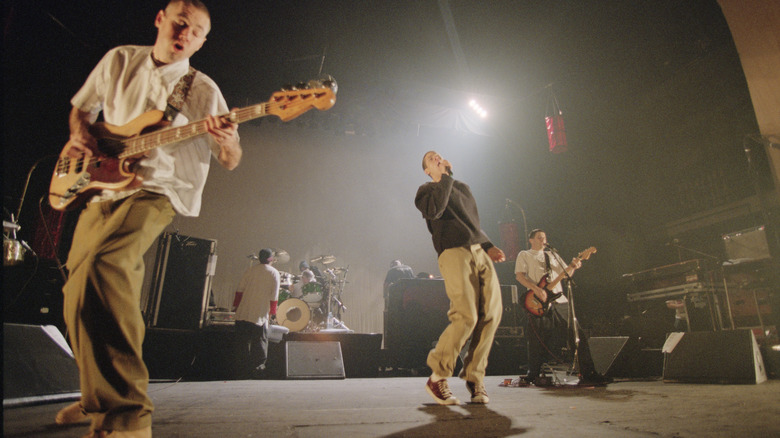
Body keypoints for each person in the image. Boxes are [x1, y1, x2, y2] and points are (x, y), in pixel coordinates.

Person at [55, 1, 241, 436]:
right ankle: (94, 395)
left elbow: (230, 160)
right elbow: (83, 109)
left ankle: (125, 416)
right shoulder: (120, 59)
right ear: (160, 19)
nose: (185, 34)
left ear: (202, 41)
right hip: (101, 187)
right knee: (76, 293)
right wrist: (81, 135)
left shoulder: (202, 89)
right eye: (180, 23)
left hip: (158, 191)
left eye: (196, 31)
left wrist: (228, 140)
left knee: (103, 266)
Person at [415, 151, 505, 405]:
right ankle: (438, 376)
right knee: (466, 315)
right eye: (431, 159)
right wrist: (443, 178)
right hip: (453, 252)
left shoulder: (462, 188)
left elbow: (471, 223)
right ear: (426, 170)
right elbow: (436, 211)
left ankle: (475, 378)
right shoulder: (426, 190)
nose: (437, 158)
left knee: (492, 314)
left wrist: (488, 245)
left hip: (478, 251)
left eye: (438, 156)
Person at [514, 229, 605, 386]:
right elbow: (519, 276)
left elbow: (566, 274)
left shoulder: (552, 255)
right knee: (536, 339)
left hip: (558, 299)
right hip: (537, 300)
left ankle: (589, 372)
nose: (543, 239)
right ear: (531, 240)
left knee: (577, 334)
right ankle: (533, 373)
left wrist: (574, 266)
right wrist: (536, 289)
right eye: (539, 237)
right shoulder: (525, 254)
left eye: (544, 237)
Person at [234, 248, 280, 378]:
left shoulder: (250, 270)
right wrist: (272, 313)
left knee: (243, 342)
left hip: (244, 311)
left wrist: (236, 307)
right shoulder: (274, 273)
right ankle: (257, 369)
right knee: (259, 341)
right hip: (259, 313)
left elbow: (239, 289)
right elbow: (274, 296)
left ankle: (241, 370)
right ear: (271, 259)